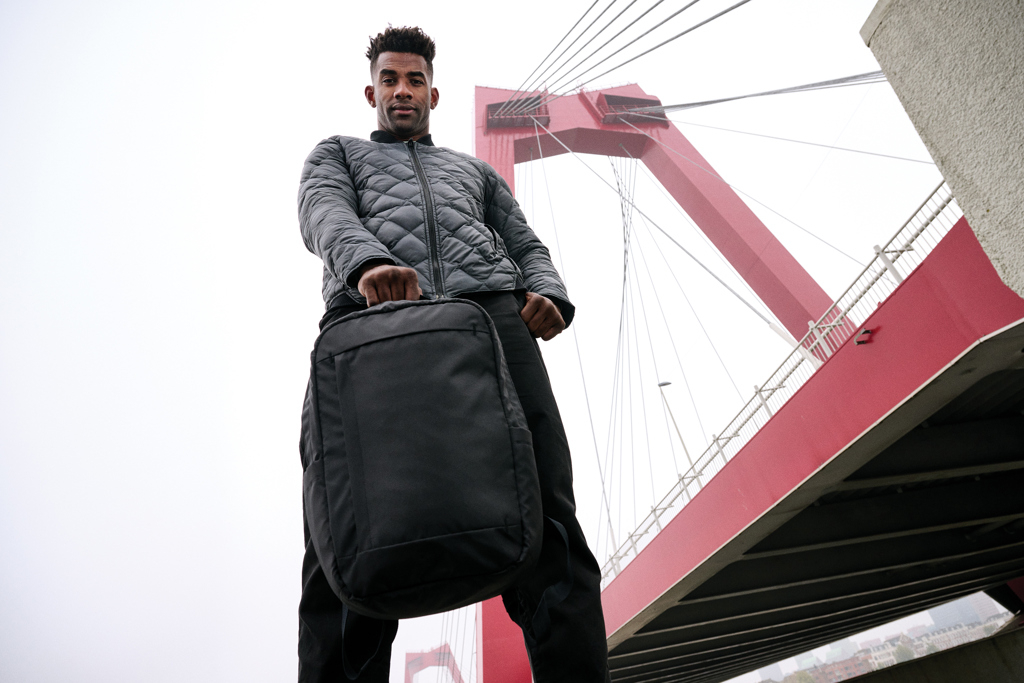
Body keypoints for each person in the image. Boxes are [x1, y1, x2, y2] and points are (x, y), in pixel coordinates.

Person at [296, 26, 610, 683]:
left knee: (551, 515)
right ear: (371, 92)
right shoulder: (337, 154)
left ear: (432, 94)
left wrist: (548, 293)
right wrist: (369, 264)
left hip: (493, 325)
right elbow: (324, 214)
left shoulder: (476, 172)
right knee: (345, 528)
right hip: (375, 324)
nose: (402, 91)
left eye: (414, 80)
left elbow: (525, 243)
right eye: (389, 79)